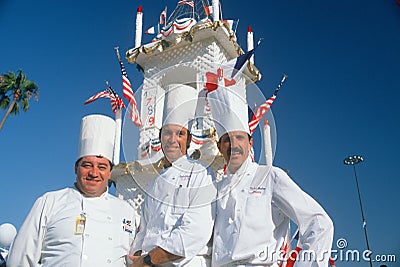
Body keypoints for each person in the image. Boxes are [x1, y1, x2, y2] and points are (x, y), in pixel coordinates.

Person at [207, 85, 334, 267]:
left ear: (250, 142)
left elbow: (319, 222)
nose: (233, 145)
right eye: (227, 139)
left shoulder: (269, 177)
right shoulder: (216, 188)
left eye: (239, 138)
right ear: (219, 147)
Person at [7, 114, 137, 266]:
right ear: (76, 168)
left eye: (102, 167)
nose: (94, 173)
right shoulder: (50, 202)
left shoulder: (126, 212)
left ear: (109, 173)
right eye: (87, 165)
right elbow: (19, 259)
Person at [130, 83, 216, 267]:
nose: (172, 139)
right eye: (167, 133)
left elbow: (196, 231)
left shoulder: (201, 174)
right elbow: (143, 230)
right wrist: (137, 257)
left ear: (189, 139)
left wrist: (149, 260)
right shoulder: (155, 183)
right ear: (160, 138)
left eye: (180, 134)